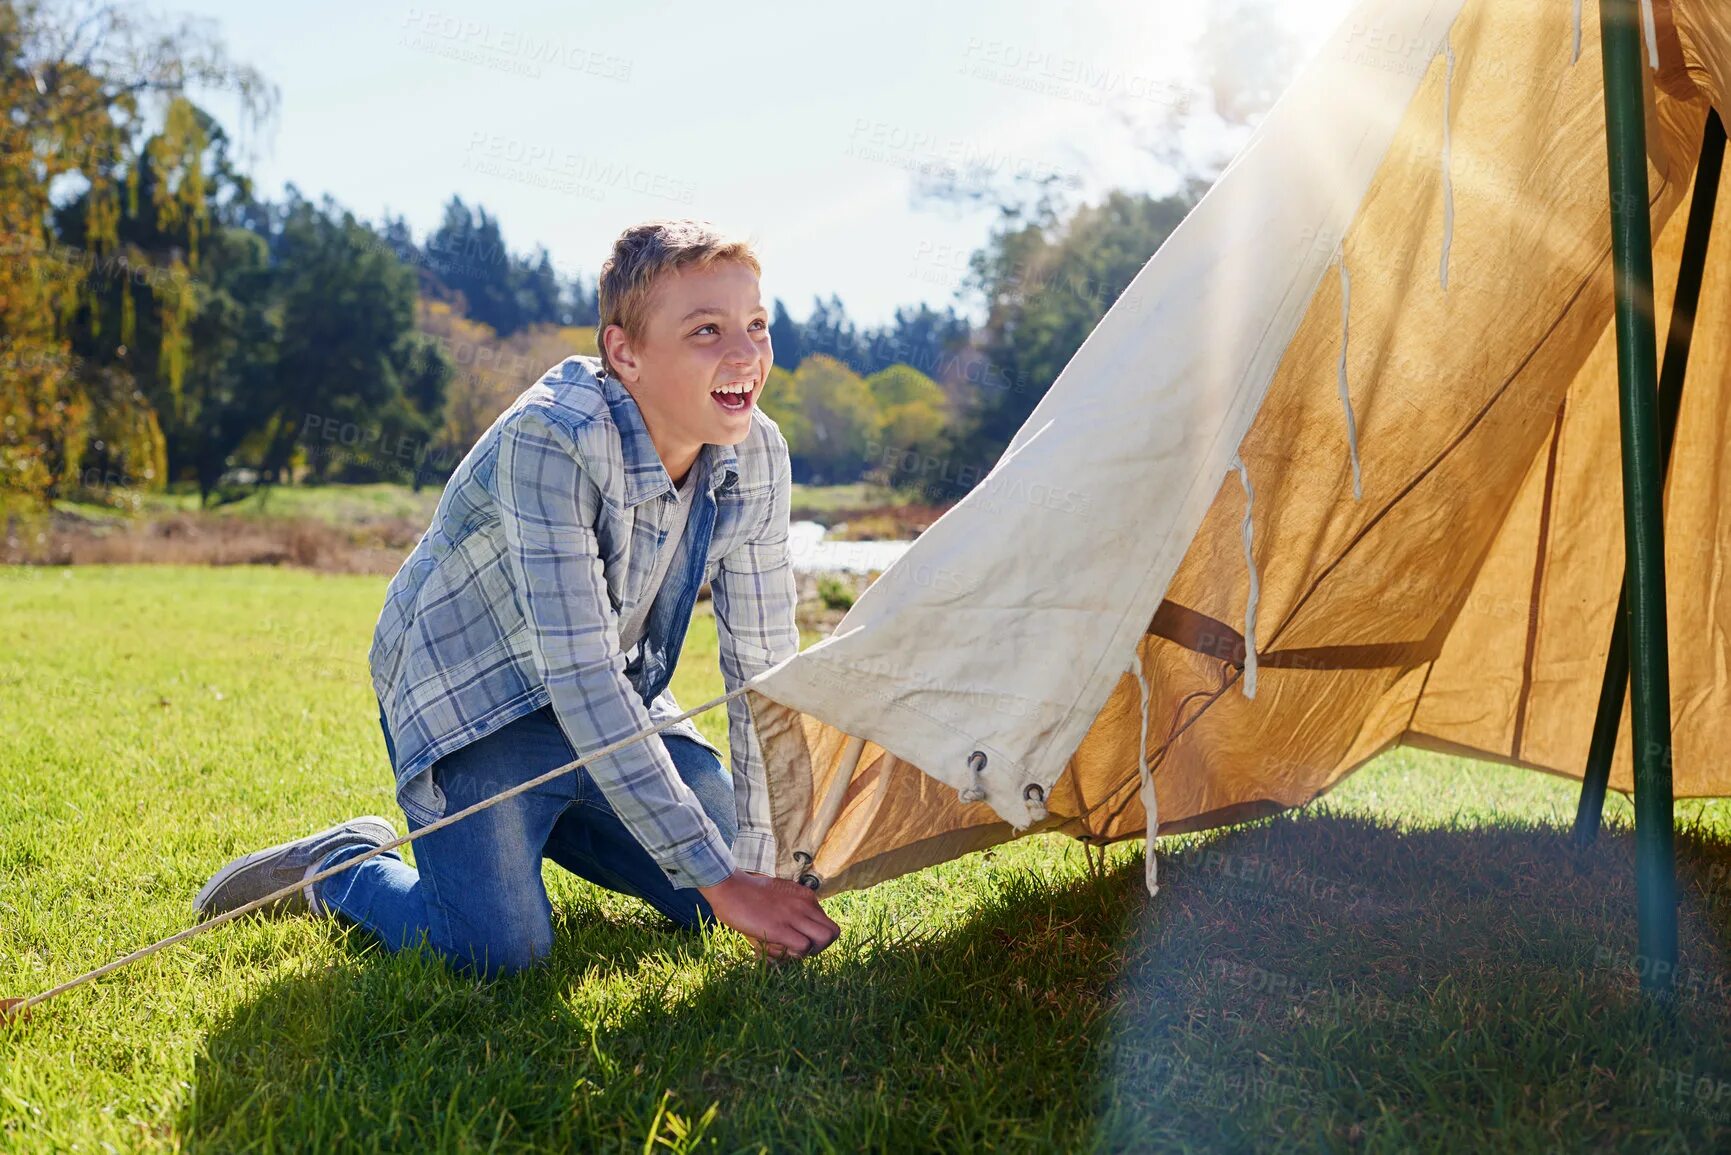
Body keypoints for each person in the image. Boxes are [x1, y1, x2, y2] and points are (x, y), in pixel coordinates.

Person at [193, 219, 841, 976]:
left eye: (756, 325)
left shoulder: (757, 452)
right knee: (499, 955)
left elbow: (762, 665)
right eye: (706, 330)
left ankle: (567, 821)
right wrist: (723, 876)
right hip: (475, 703)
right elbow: (580, 676)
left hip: (613, 705)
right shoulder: (552, 437)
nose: (745, 354)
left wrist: (757, 865)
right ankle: (341, 865)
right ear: (624, 353)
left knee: (715, 902)